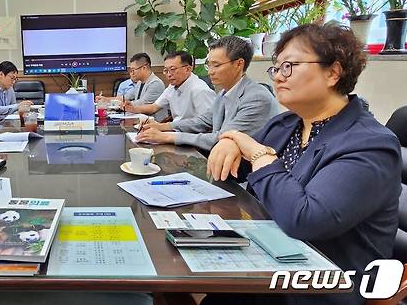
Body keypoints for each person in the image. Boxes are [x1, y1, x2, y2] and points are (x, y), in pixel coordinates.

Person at [206, 24, 401, 305]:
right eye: (276, 68)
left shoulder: (371, 145)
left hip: (322, 283)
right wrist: (232, 141)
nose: (277, 77)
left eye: (290, 66)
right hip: (268, 258)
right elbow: (240, 169)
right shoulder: (286, 124)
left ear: (333, 72)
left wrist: (259, 154)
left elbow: (305, 218)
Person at [137, 36, 279, 150]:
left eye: (216, 65)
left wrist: (166, 136)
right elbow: (202, 121)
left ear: (239, 64)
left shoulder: (257, 98)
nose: (210, 71)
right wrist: (162, 127)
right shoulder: (224, 93)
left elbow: (223, 139)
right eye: (208, 65)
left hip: (245, 178)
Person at [124, 51, 215, 122]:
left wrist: (168, 128)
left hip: (192, 137)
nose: (169, 74)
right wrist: (133, 108)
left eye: (172, 69)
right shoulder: (172, 87)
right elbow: (154, 107)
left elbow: (208, 124)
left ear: (188, 69)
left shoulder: (199, 90)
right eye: (166, 70)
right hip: (176, 132)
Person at [97, 53, 167, 120]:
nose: (132, 73)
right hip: (141, 120)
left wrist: (124, 105)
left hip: (155, 123)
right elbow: (125, 97)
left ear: (144, 68)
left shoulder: (155, 83)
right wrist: (106, 99)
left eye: (133, 70)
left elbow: (142, 103)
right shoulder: (140, 82)